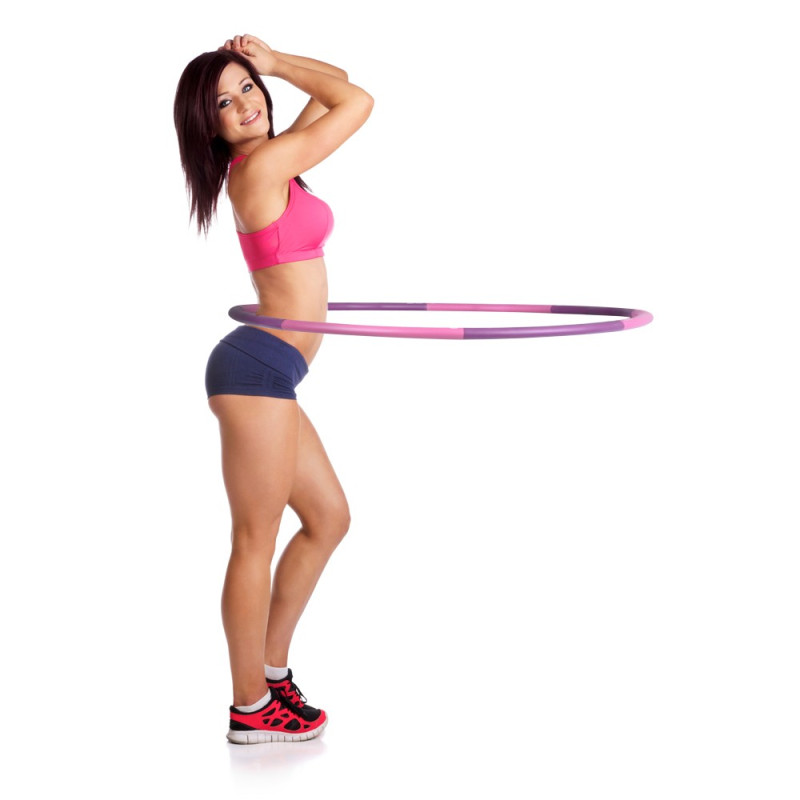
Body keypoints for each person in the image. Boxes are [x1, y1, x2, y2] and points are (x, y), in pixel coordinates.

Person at [173, 34, 373, 744]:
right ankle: (250, 707)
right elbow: (358, 100)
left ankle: (272, 672)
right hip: (256, 370)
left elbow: (337, 78)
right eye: (223, 103)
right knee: (255, 539)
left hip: (274, 372)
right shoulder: (261, 166)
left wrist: (274, 64)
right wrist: (277, 66)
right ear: (210, 127)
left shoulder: (277, 155)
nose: (244, 104)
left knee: (328, 519)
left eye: (246, 88)